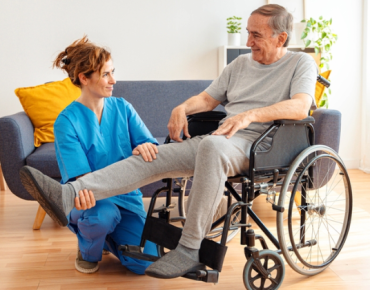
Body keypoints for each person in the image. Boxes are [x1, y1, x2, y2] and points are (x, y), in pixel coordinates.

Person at [20, 4, 317, 279]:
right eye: (248, 33)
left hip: (260, 145)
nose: (248, 40)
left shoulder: (300, 63)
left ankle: (188, 248)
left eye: (256, 35)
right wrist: (182, 108)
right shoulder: (240, 64)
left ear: (281, 38)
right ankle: (67, 194)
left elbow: (300, 107)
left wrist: (250, 115)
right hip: (220, 140)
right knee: (155, 155)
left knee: (210, 147)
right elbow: (206, 98)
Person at [50, 36, 158, 274]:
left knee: (147, 262)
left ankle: (107, 238)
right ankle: (89, 250)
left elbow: (148, 144)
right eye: (106, 74)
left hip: (127, 197)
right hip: (90, 199)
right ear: (84, 78)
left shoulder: (123, 107)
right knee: (102, 215)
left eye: (113, 72)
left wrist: (145, 148)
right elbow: (84, 180)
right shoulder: (66, 121)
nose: (114, 80)